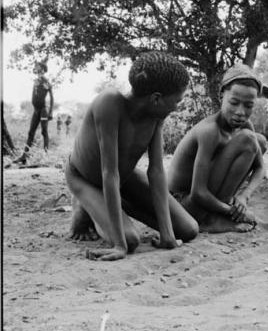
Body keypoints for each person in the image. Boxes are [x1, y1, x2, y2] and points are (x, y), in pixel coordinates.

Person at [65, 51, 199, 261]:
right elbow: (108, 173)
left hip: (122, 177)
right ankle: (87, 206)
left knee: (188, 229)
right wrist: (119, 245)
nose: (176, 107)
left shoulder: (156, 115)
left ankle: (107, 207)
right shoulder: (109, 103)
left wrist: (167, 234)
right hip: (86, 179)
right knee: (130, 240)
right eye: (176, 101)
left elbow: (155, 171)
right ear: (156, 98)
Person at [168, 64, 266, 233]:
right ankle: (210, 219)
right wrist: (232, 212)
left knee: (258, 141)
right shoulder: (210, 131)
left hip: (202, 199)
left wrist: (244, 196)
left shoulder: (245, 125)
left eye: (248, 106)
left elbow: (260, 167)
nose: (240, 112)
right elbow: (198, 193)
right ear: (222, 95)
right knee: (248, 139)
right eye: (234, 103)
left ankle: (217, 210)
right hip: (181, 205)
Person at [13, 61, 54, 164]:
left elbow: (52, 98)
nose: (36, 68)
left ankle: (46, 156)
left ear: (43, 70)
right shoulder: (36, 80)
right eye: (36, 67)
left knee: (44, 132)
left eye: (39, 67)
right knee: (30, 132)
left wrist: (50, 113)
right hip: (36, 111)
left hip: (43, 110)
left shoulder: (46, 82)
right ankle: (24, 156)